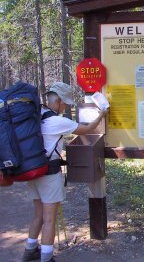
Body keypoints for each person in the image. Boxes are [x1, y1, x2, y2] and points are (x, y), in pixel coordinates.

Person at [19, 82, 107, 262]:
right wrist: (102, 114)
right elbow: (88, 129)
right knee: (50, 218)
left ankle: (29, 250)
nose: (66, 107)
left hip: (31, 171)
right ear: (58, 101)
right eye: (65, 104)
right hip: (49, 174)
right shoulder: (57, 121)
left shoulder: (35, 116)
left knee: (38, 214)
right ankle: (46, 257)